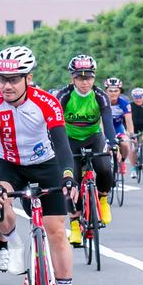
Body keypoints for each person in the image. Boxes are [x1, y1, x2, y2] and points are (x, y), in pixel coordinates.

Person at [0, 45, 81, 285]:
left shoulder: (46, 102)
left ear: (27, 79)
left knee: (57, 232)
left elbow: (61, 144)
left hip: (45, 165)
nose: (6, 85)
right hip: (7, 164)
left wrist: (68, 175)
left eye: (13, 79)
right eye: (2, 79)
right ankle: (14, 243)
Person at [54, 55, 117, 244]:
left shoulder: (100, 96)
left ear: (94, 78)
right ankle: (74, 225)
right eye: (80, 78)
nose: (85, 82)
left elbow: (107, 119)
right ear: (73, 78)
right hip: (70, 140)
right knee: (71, 181)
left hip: (93, 138)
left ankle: (103, 199)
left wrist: (112, 142)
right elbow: (55, 122)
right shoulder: (64, 96)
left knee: (105, 167)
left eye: (88, 77)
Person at [103, 77, 133, 176]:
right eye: (110, 91)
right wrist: (102, 136)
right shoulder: (102, 102)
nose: (113, 93)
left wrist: (131, 134)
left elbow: (128, 121)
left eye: (116, 91)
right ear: (106, 91)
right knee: (105, 147)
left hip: (118, 128)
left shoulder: (124, 103)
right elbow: (100, 122)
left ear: (120, 91)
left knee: (125, 144)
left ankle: (122, 162)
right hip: (105, 127)